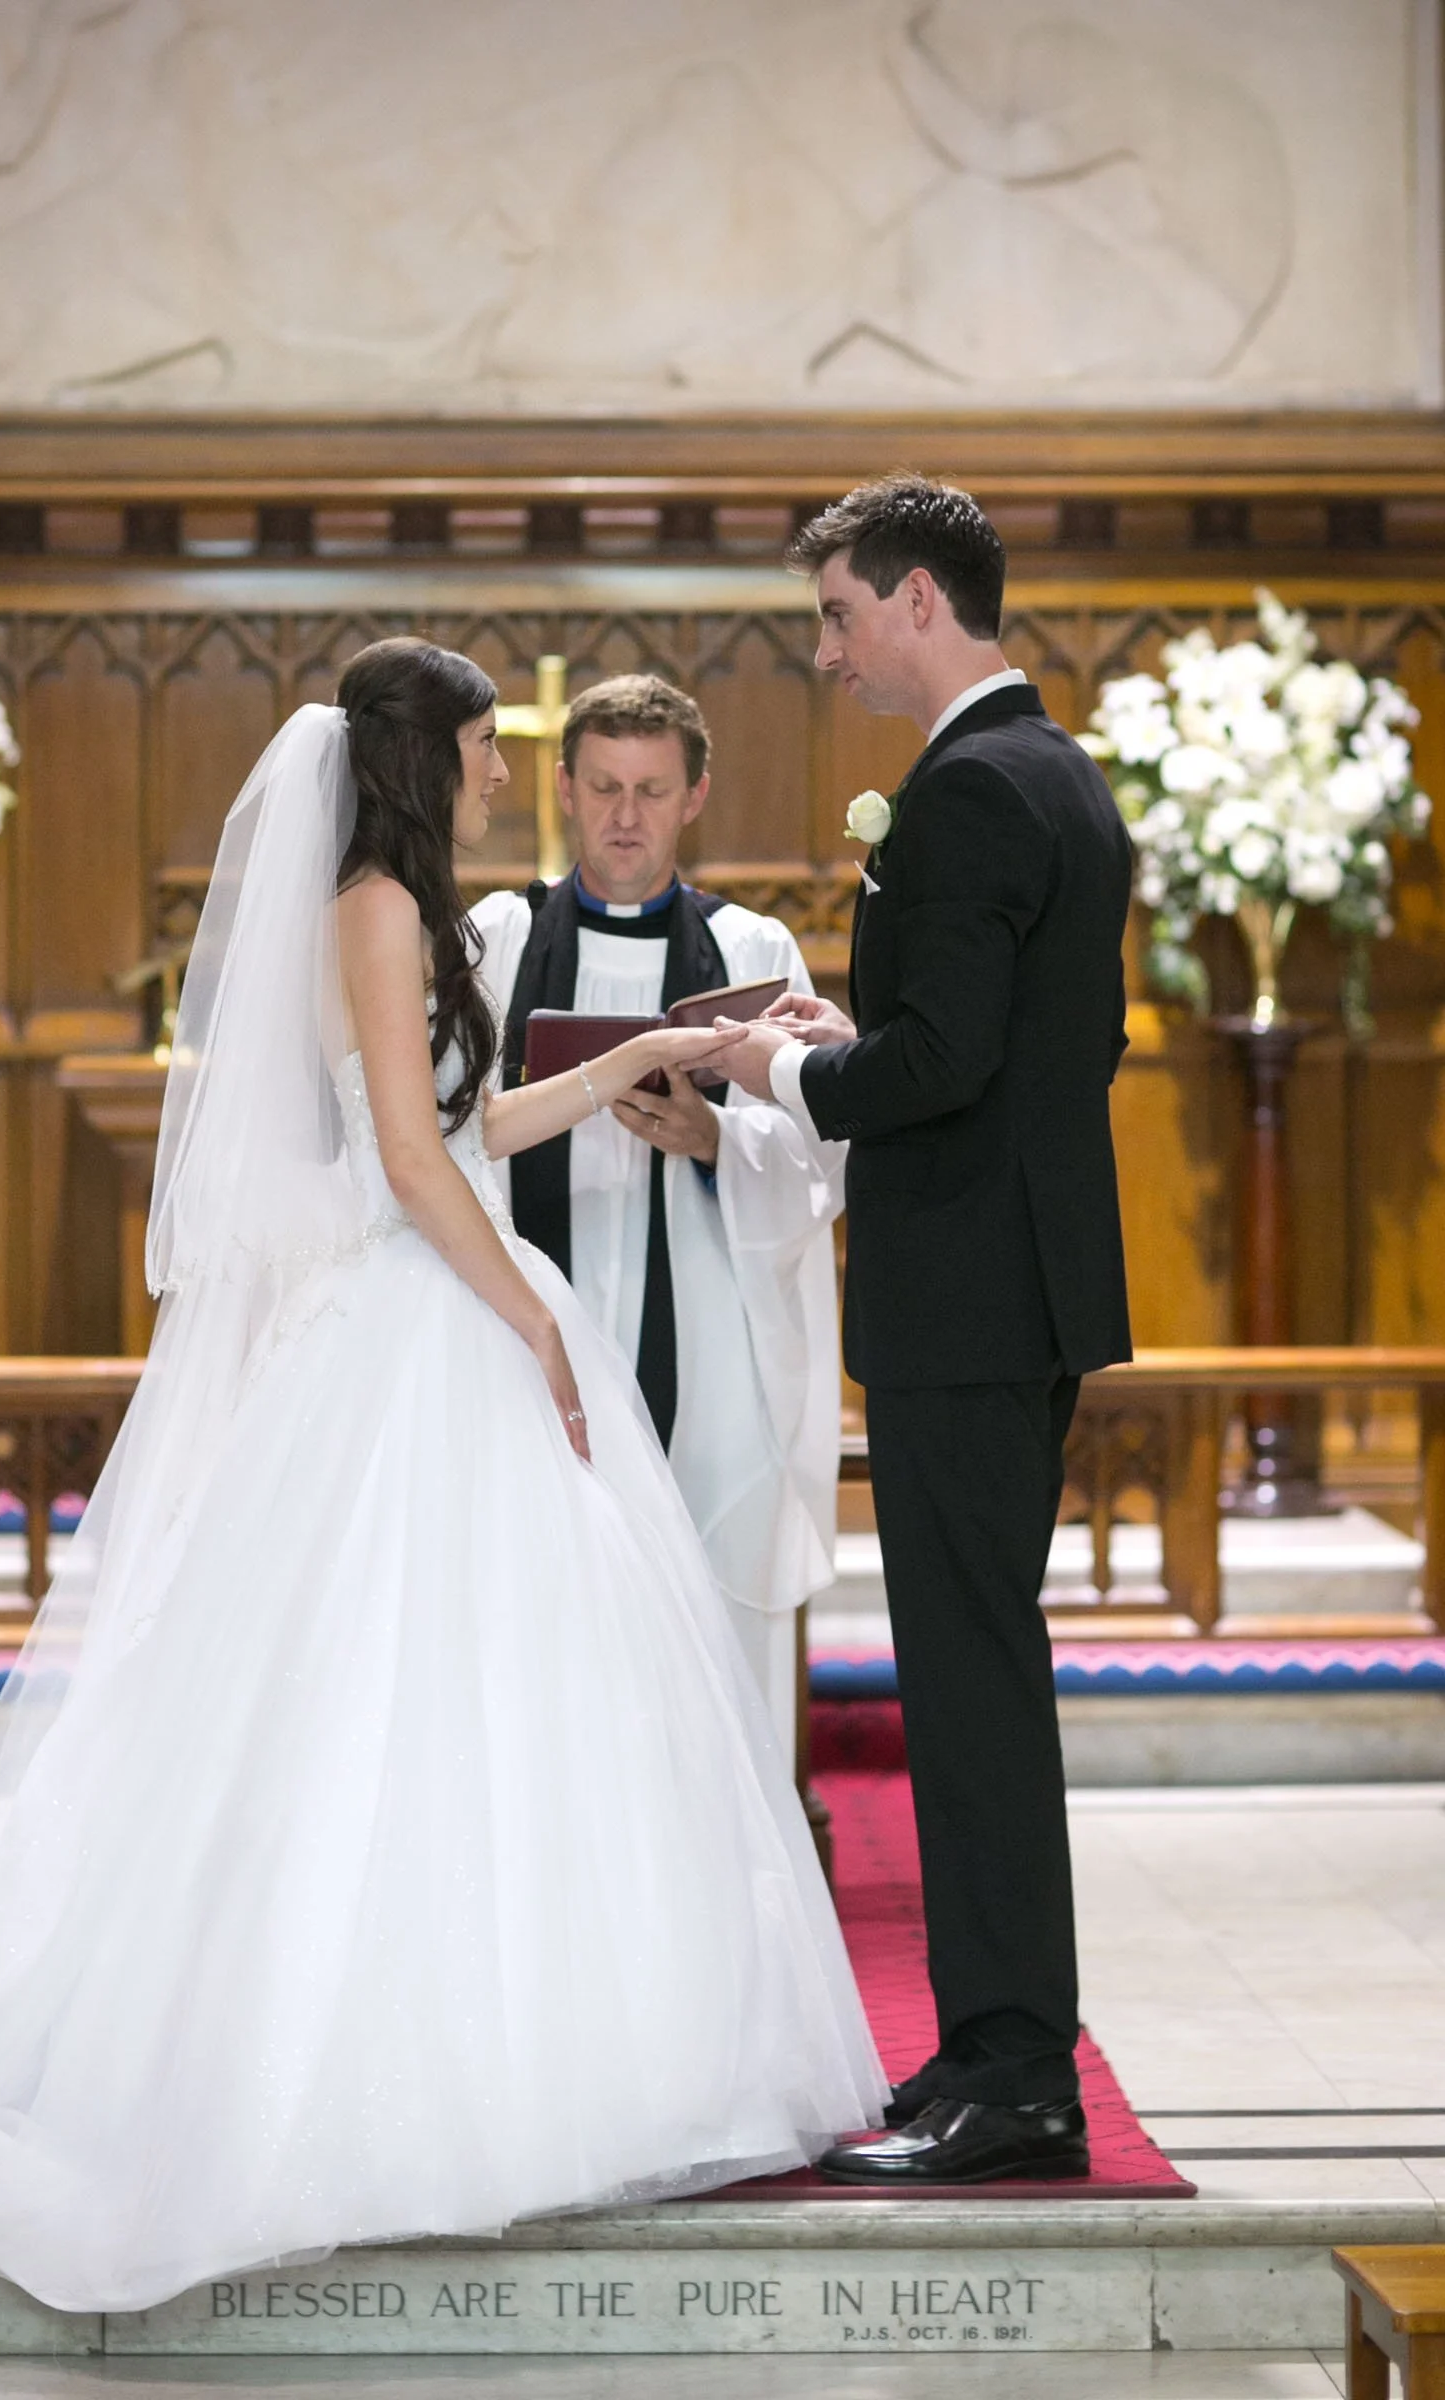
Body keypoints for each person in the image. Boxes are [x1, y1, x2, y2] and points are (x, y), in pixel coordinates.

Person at [0, 639, 884, 2310]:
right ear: (419, 755)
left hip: (439, 1300)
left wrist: (605, 1075)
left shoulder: (416, 910)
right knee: (372, 1698)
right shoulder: (374, 909)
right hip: (413, 1326)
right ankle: (378, 2052)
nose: (507, 773)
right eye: (486, 749)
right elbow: (399, 1164)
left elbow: (461, 1129)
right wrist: (531, 1317)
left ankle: (523, 2019)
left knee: (483, 1696)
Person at [722, 478, 1133, 2186]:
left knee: (971, 1688)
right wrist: (857, 1028)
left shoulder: (967, 795)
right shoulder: (1055, 773)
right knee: (980, 1676)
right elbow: (1007, 1040)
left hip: (970, 1296)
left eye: (835, 616)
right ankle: (985, 2050)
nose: (824, 653)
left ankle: (1016, 2078)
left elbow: (946, 1067)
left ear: (910, 600)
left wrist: (783, 1069)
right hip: (1016, 1284)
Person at [473, 675, 845, 1760]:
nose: (624, 816)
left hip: (711, 1334)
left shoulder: (755, 951)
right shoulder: (497, 938)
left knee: (704, 1630)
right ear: (563, 788)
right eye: (602, 787)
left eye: (650, 789)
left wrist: (715, 1139)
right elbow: (437, 1122)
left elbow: (827, 1148)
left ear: (695, 797)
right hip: (528, 1326)